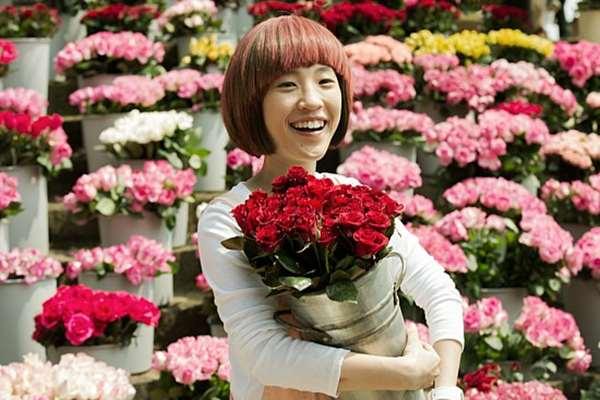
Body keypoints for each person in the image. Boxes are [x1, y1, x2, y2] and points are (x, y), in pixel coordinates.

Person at [196, 15, 464, 400]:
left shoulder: (354, 199)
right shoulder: (227, 219)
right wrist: (403, 374)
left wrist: (445, 390)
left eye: (325, 81)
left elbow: (439, 292)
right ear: (251, 103)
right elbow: (264, 354)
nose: (311, 100)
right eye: (287, 85)